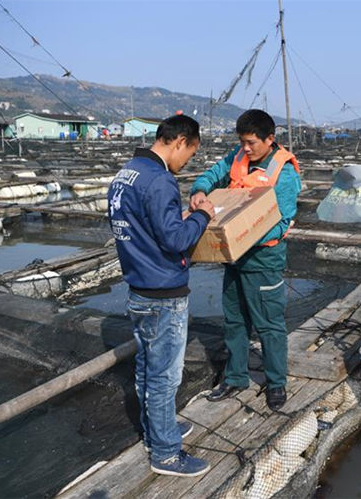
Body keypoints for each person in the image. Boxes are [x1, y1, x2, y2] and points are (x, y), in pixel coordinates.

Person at [108, 114, 215, 477]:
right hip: (163, 292)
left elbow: (147, 228)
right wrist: (201, 216)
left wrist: (178, 219)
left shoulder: (126, 174)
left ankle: (156, 428)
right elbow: (175, 240)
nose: (187, 164)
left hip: (138, 287)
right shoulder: (160, 181)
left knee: (145, 367)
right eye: (190, 155)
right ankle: (166, 452)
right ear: (180, 141)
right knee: (165, 375)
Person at [189, 109, 301, 411]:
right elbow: (213, 174)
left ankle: (276, 382)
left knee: (269, 325)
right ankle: (236, 376)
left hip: (263, 261)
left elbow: (283, 221)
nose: (246, 149)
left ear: (269, 139)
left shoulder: (284, 174)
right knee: (235, 322)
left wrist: (243, 235)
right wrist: (199, 190)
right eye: (242, 142)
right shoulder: (237, 157)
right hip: (233, 260)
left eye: (251, 143)